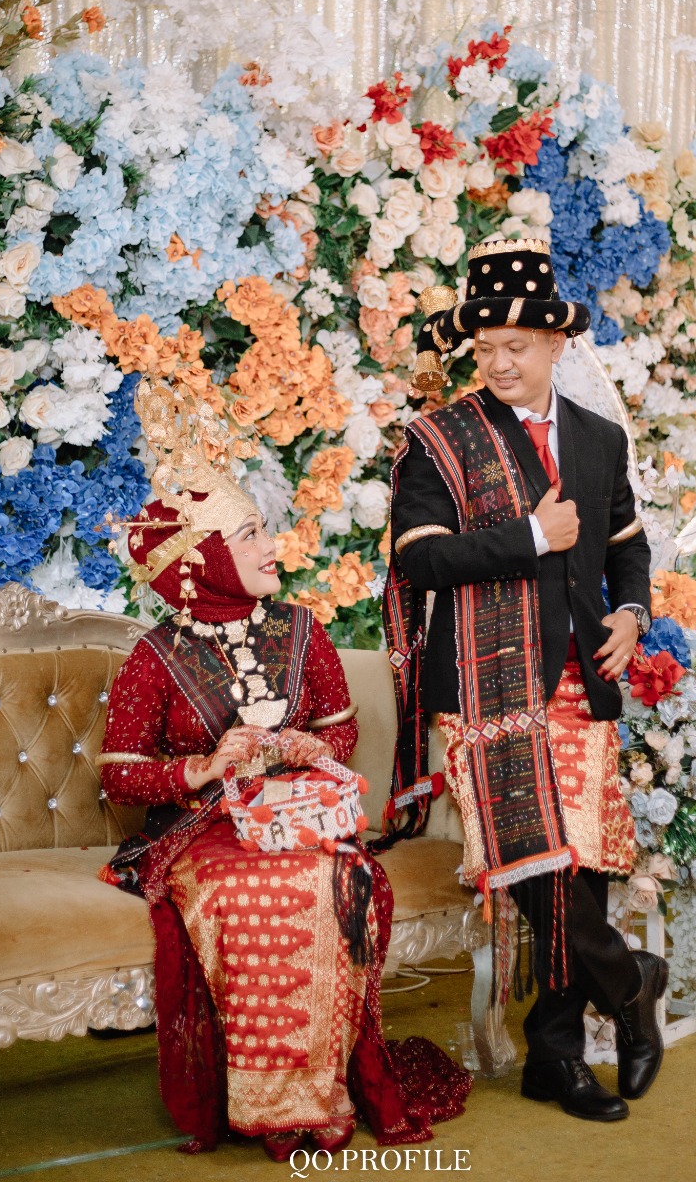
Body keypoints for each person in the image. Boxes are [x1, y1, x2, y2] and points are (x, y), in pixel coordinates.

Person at [99, 381, 470, 1161]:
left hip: (300, 818)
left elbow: (340, 731)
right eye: (249, 535)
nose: (272, 545)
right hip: (202, 832)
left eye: (263, 527)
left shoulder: (302, 630)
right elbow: (122, 778)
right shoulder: (155, 657)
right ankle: (265, 1104)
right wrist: (205, 767)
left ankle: (321, 1094)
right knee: (249, 895)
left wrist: (308, 748)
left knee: (339, 881)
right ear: (202, 562)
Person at [383, 233, 665, 1124]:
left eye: (517, 346)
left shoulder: (599, 437)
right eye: (486, 348)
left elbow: (627, 547)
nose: (500, 363)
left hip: (582, 676)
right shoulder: (439, 439)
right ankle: (630, 983)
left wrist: (631, 615)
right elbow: (420, 560)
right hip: (484, 682)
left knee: (579, 867)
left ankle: (555, 1059)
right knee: (532, 862)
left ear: (554, 344)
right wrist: (533, 537)